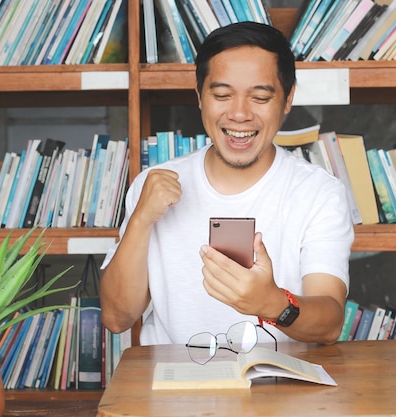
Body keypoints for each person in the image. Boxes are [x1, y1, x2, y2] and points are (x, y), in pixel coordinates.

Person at [100, 21, 354, 346]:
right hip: (174, 389)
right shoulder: (153, 185)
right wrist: (140, 219)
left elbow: (329, 323)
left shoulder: (319, 193)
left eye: (260, 97)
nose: (238, 114)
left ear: (288, 99)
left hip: (282, 390)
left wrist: (272, 304)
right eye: (222, 95)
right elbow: (116, 318)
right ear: (200, 97)